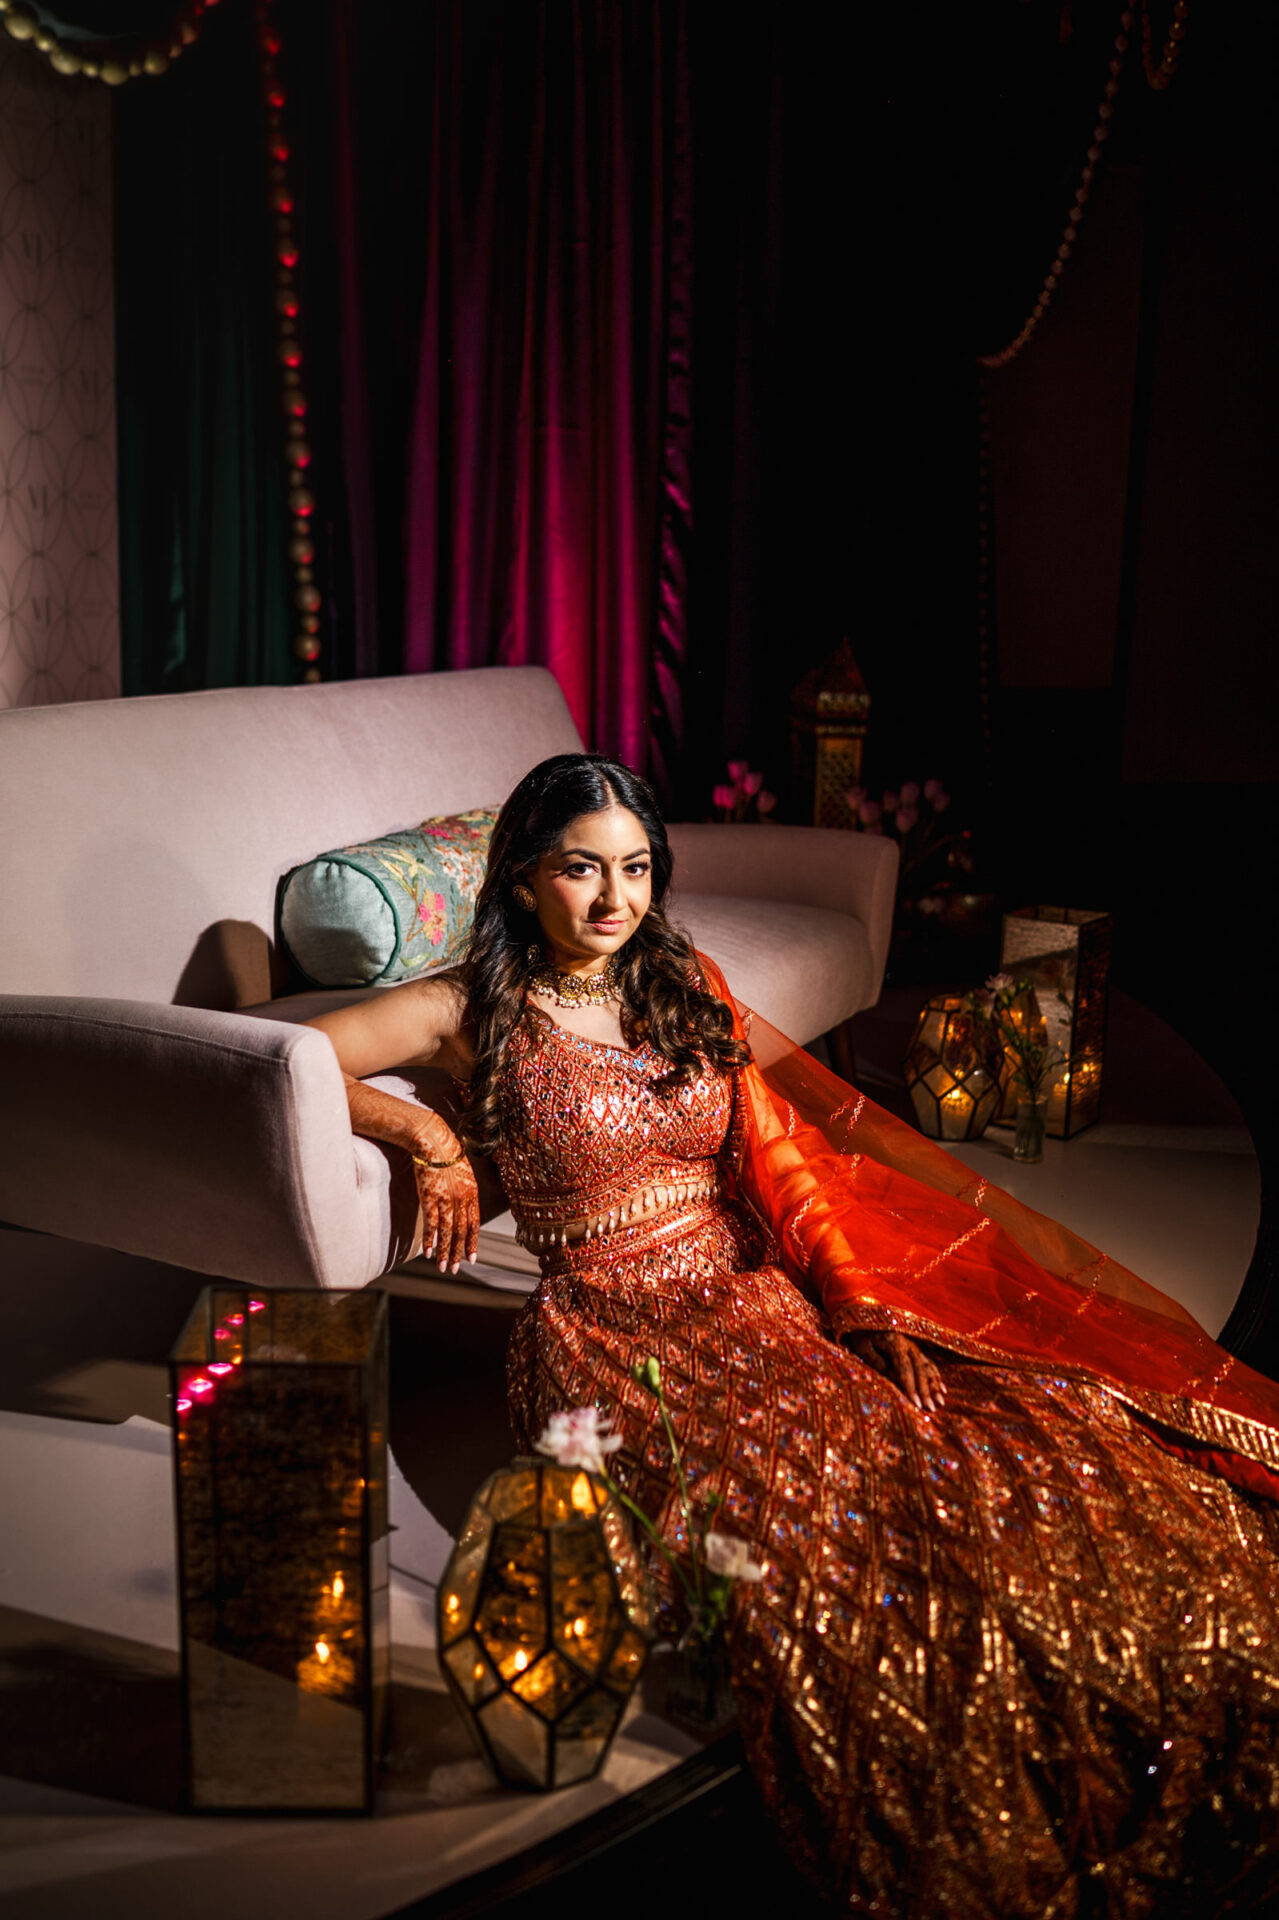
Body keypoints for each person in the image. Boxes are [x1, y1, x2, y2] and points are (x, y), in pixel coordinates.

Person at [308, 751, 1279, 1916]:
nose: (615, 902)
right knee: (807, 1556)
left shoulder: (679, 983)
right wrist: (428, 1138)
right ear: (522, 879)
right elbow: (298, 1060)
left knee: (975, 1468)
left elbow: (815, 1118)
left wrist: (877, 1265)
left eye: (635, 871)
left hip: (752, 1291)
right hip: (611, 1335)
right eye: (581, 871)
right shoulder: (464, 1009)